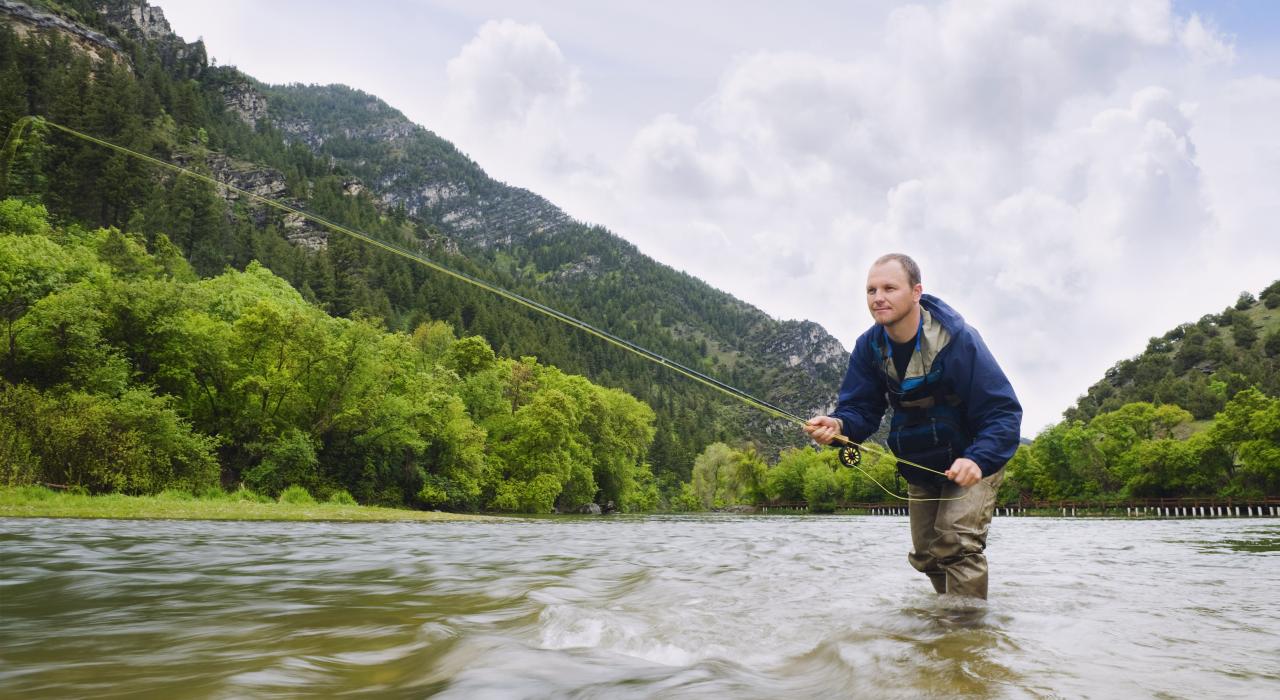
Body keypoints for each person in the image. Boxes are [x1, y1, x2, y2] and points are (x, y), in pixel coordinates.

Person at [805, 253, 1021, 599]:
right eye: (871, 290)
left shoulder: (959, 339)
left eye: (890, 288)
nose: (878, 297)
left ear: (916, 291)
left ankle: (966, 637)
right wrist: (838, 423)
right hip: (922, 464)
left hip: (975, 457)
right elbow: (862, 409)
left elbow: (1003, 412)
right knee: (927, 555)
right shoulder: (868, 347)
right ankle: (947, 626)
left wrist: (977, 459)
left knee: (956, 543)